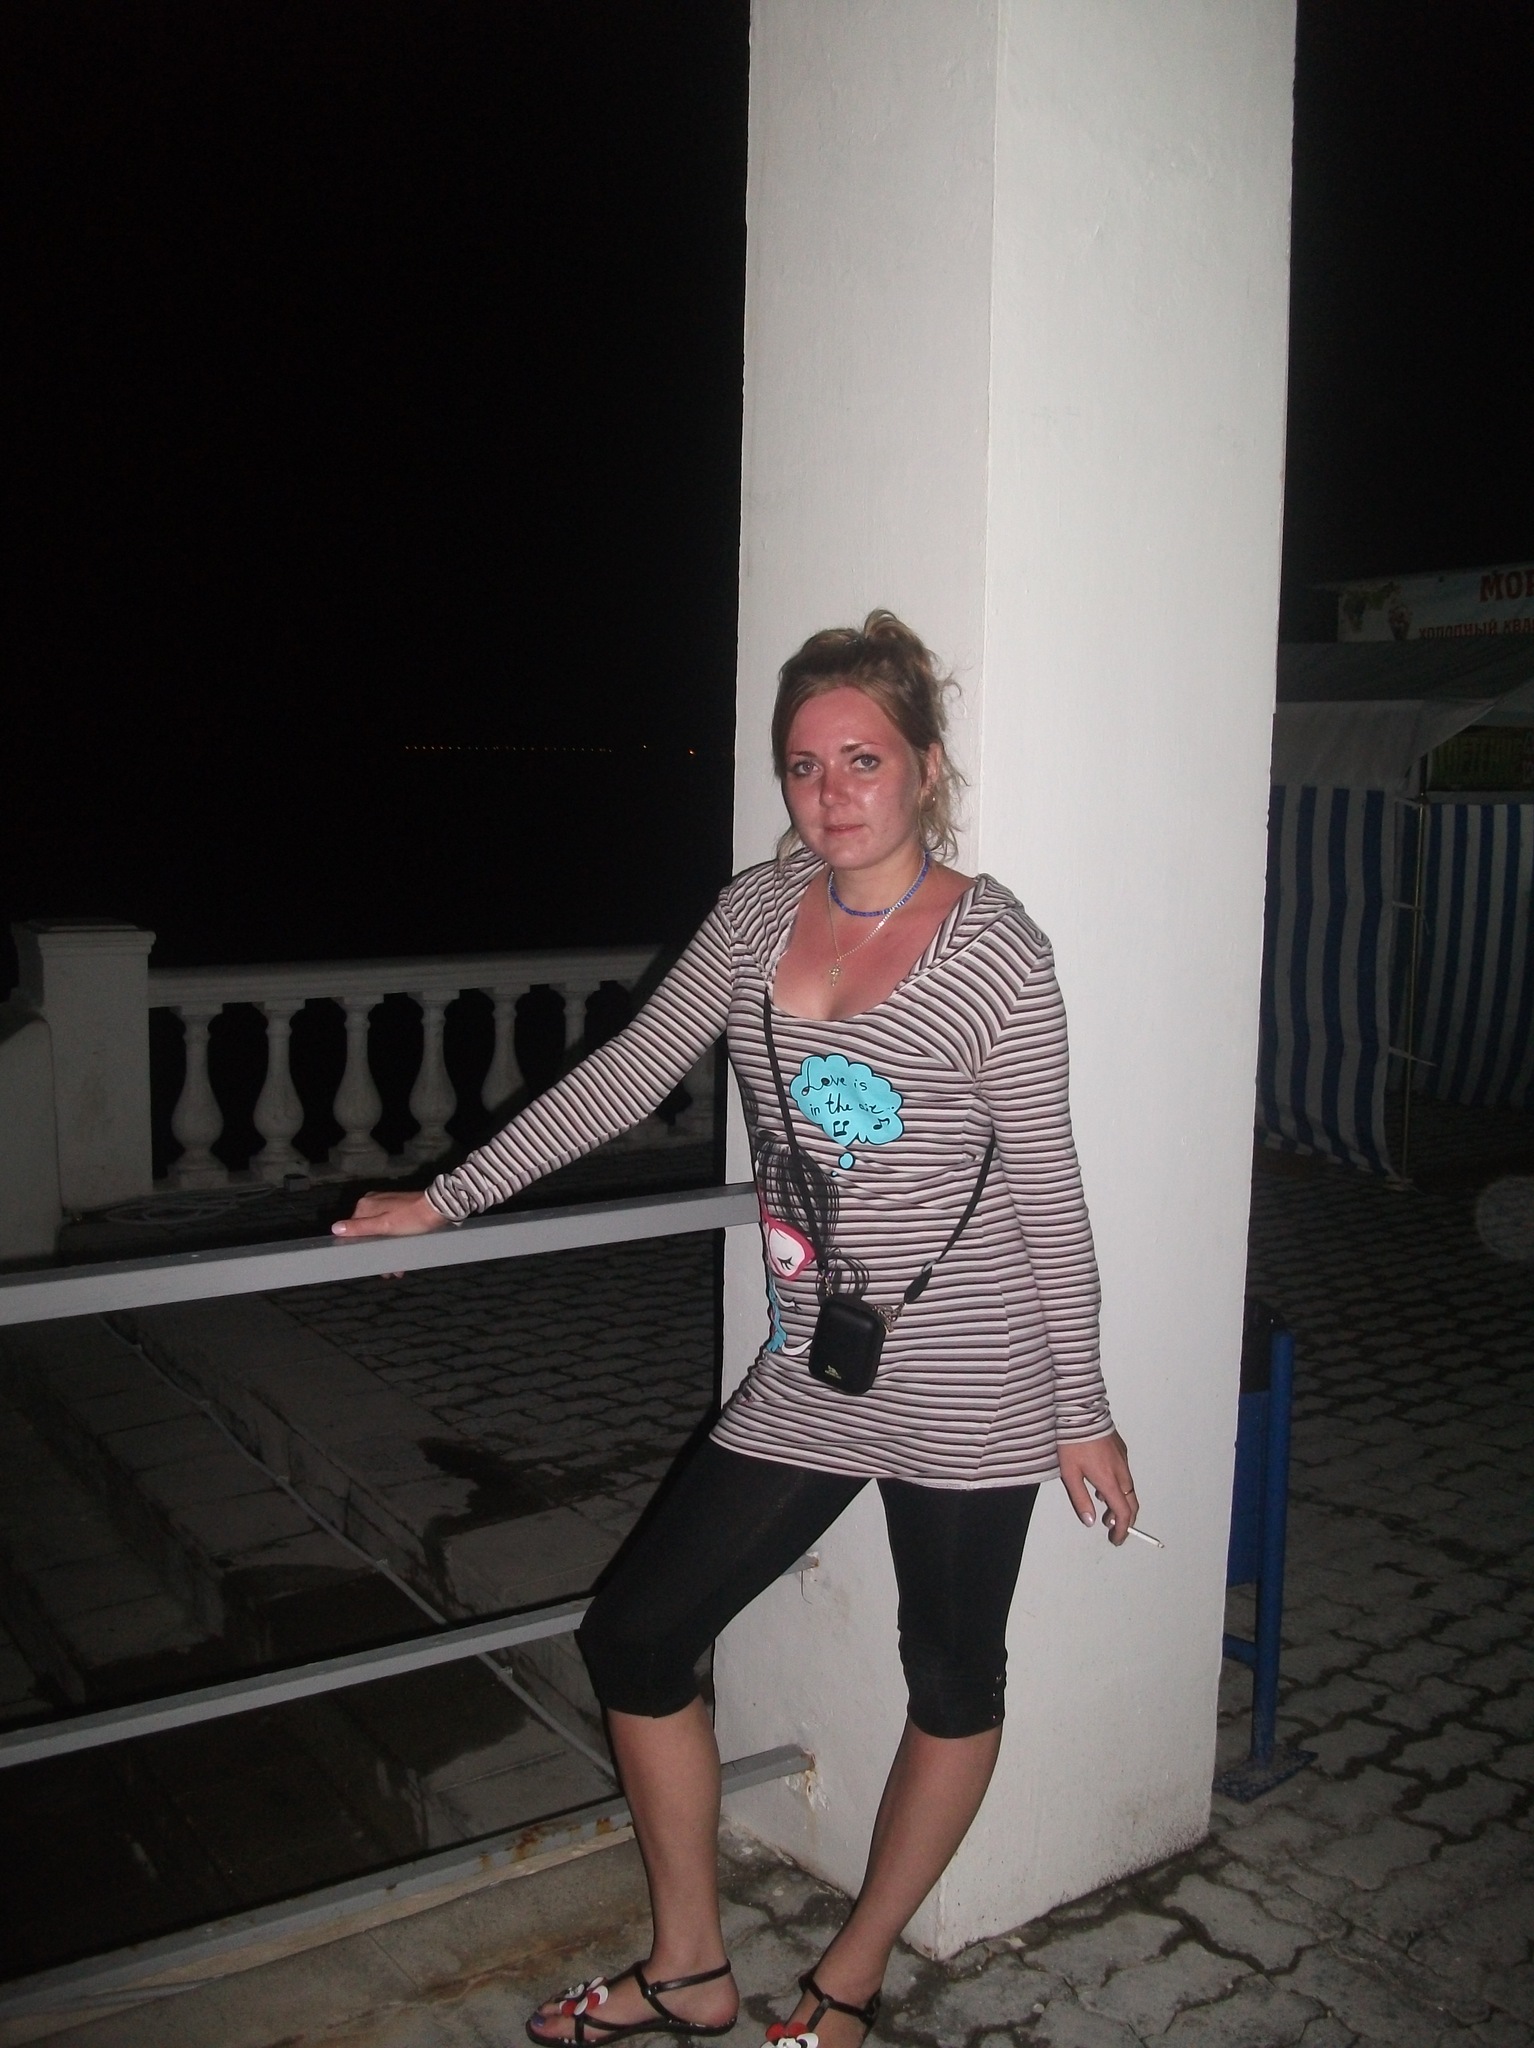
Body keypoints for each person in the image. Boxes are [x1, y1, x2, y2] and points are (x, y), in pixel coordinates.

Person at [335, 611, 1138, 2048]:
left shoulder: (996, 950)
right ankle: (692, 1970)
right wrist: (446, 1200)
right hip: (815, 1361)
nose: (831, 792)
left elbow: (1047, 1193)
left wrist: (1081, 1410)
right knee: (638, 1636)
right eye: (803, 766)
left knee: (953, 1675)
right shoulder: (757, 914)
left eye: (863, 760)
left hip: (972, 1371)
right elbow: (630, 1071)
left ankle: (850, 1977)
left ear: (925, 767)